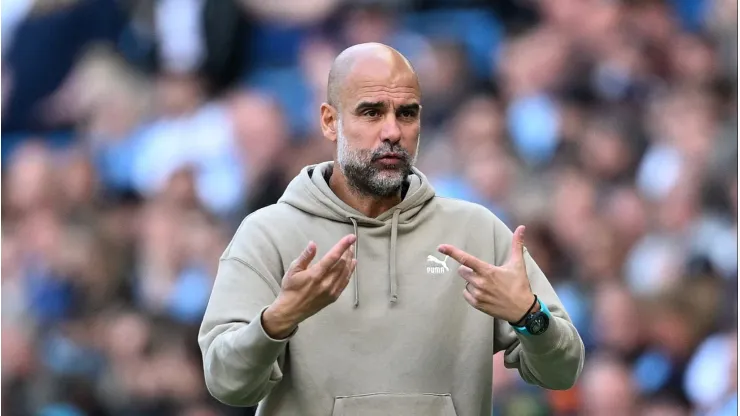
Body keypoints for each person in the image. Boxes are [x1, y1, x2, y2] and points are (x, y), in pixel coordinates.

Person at [198, 42, 585, 416]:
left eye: (407, 113)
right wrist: (277, 321)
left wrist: (529, 315)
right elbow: (228, 383)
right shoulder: (268, 234)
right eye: (371, 112)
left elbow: (562, 371)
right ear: (330, 121)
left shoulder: (476, 231)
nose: (392, 132)